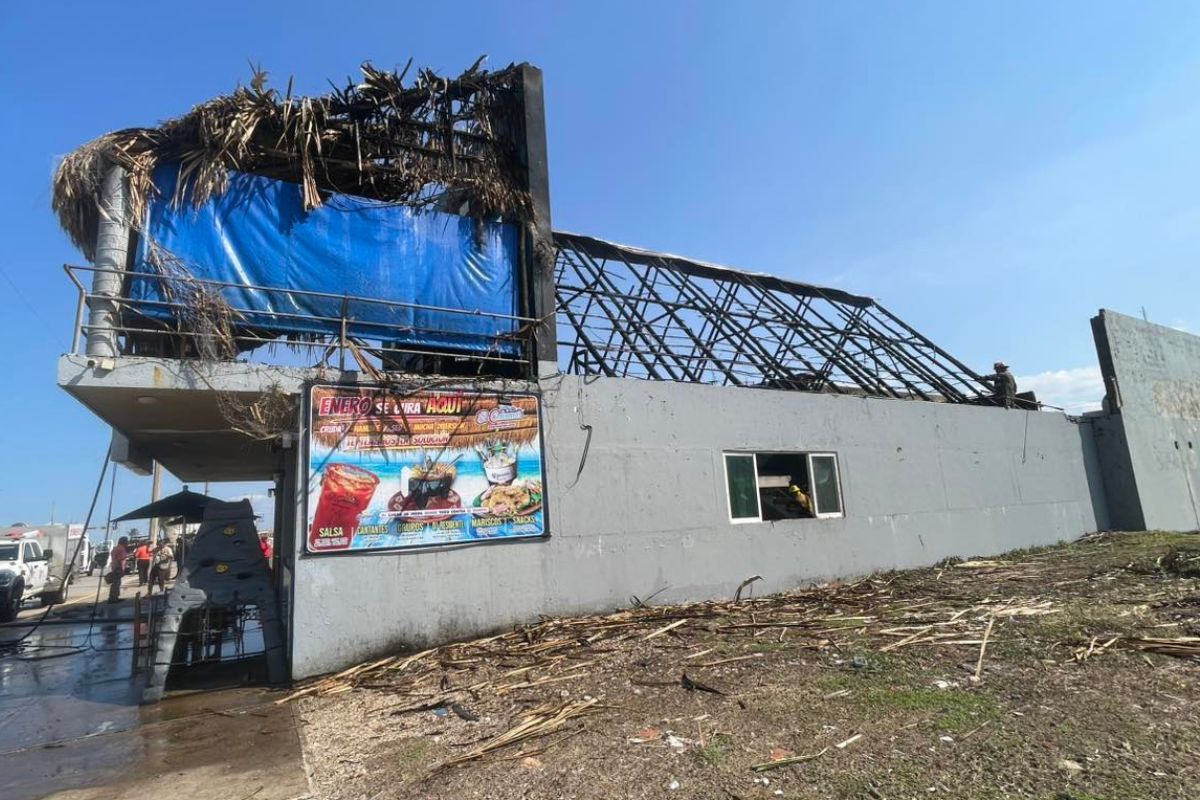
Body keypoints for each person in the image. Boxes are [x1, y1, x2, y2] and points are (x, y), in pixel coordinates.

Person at [108, 536, 129, 604]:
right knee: (116, 583)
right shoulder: (122, 549)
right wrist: (121, 569)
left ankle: (114, 597)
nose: (127, 543)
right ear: (123, 542)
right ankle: (113, 598)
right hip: (118, 567)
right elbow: (121, 559)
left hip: (114, 567)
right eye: (126, 541)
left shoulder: (115, 548)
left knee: (115, 583)